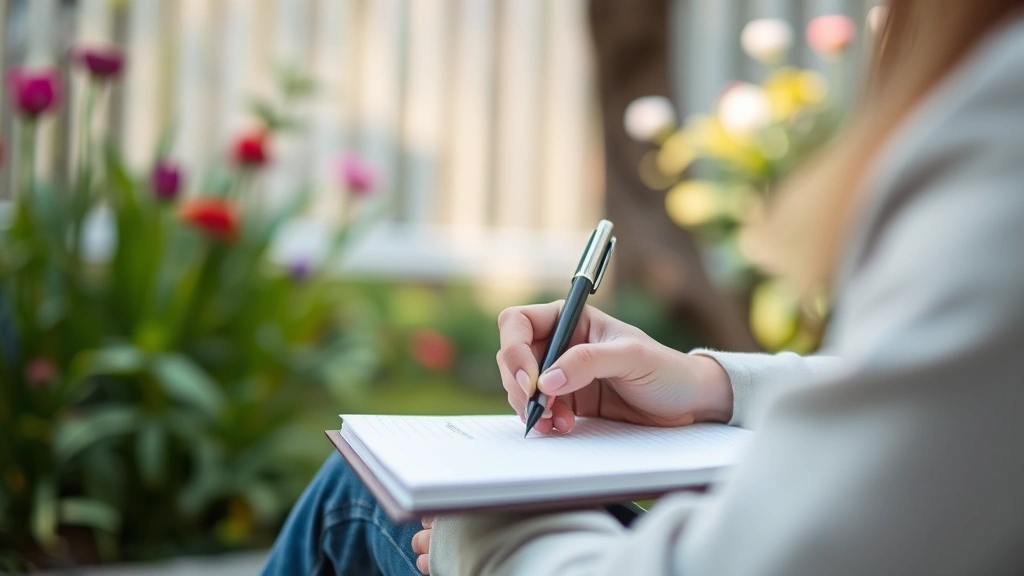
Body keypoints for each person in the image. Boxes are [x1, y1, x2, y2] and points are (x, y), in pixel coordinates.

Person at [263, 1, 1024, 574]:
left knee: (358, 495)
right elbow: (958, 394)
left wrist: (493, 536)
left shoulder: (1001, 126)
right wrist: (705, 383)